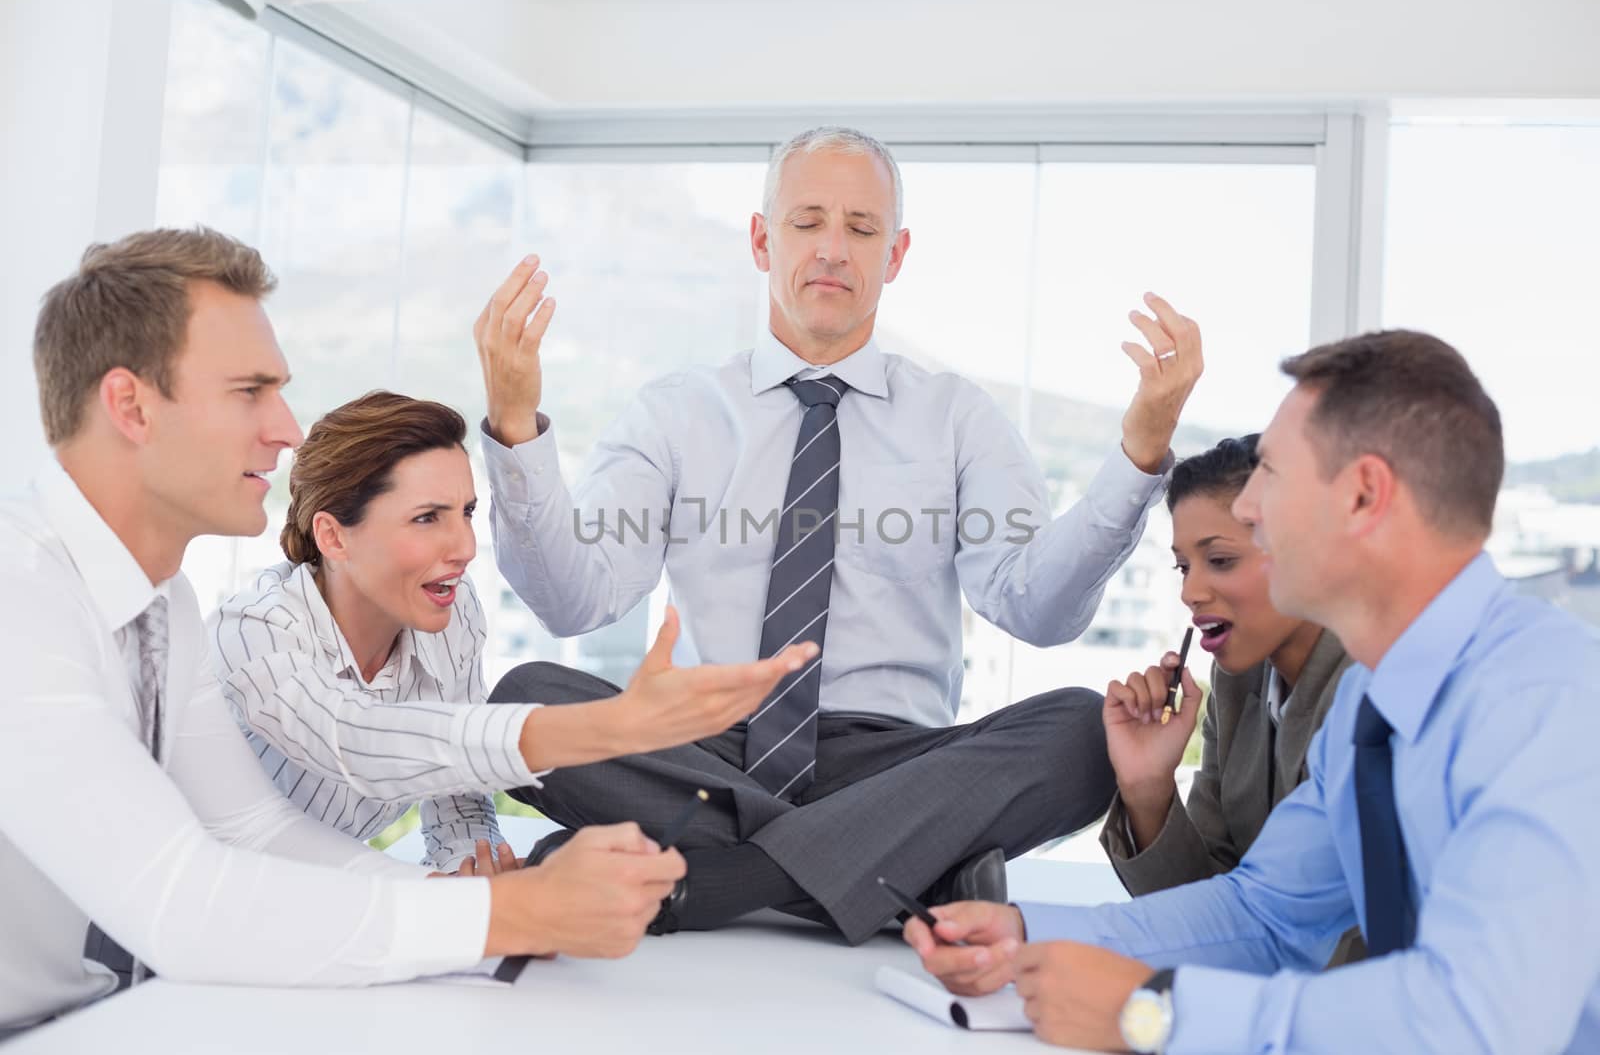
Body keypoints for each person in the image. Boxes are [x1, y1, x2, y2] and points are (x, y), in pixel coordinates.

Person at [0, 227, 804, 1035]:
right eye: (250, 391)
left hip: (103, 1007)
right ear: (130, 405)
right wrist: (510, 908)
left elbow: (257, 827)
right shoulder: (22, 598)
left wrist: (483, 901)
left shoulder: (158, 599)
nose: (286, 428)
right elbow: (187, 894)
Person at [472, 125, 1205, 944]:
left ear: (894, 255)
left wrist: (1141, 449)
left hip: (893, 762)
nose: (832, 249)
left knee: (1080, 730)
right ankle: (900, 863)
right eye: (807, 221)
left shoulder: (956, 417)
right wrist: (512, 422)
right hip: (698, 748)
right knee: (522, 701)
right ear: (761, 239)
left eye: (861, 229)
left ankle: (719, 878)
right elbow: (577, 600)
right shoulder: (676, 412)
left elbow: (1038, 611)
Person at [906, 330, 1600, 1053]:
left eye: (1270, 472)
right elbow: (1268, 913)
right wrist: (1026, 930)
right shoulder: (1372, 705)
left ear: (1363, 495)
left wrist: (1154, 1014)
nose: (1247, 509)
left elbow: (1478, 1023)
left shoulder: (1548, 704)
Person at [210, 391, 816, 874]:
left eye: (466, 513)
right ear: (334, 536)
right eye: (427, 519)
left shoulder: (448, 612)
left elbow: (454, 795)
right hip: (196, 910)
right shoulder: (256, 631)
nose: (466, 548)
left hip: (316, 897)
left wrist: (475, 862)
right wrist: (614, 726)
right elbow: (355, 741)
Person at [1096, 435, 1361, 963]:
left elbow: (1340, 939)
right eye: (1183, 567)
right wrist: (1148, 790)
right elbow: (1209, 909)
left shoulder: (1371, 689)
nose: (1190, 592)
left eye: (1218, 559)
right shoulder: (1237, 687)